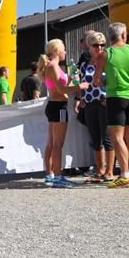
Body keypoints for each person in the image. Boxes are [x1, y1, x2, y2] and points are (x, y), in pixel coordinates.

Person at [94, 21, 129, 189]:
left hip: (116, 97)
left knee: (117, 137)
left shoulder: (106, 54)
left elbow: (97, 81)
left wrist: (107, 82)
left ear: (110, 37)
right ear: (124, 35)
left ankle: (124, 175)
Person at [37, 39, 88, 188]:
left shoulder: (53, 66)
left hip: (55, 105)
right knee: (58, 144)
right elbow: (63, 90)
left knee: (52, 143)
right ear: (57, 51)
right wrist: (81, 86)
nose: (65, 52)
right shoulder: (53, 66)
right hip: (59, 106)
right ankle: (58, 177)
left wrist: (71, 78)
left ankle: (51, 175)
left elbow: (63, 86)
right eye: (63, 49)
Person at [76, 30, 114, 182]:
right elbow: (81, 82)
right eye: (96, 45)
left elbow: (114, 80)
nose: (99, 48)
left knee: (107, 138)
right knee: (95, 139)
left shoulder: (108, 61)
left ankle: (110, 171)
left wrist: (109, 97)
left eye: (102, 45)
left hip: (104, 102)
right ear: (89, 46)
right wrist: (80, 98)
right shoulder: (85, 63)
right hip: (89, 103)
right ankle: (100, 170)